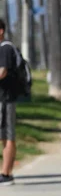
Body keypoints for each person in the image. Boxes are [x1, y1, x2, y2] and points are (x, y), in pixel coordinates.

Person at [0, 19, 17, 186]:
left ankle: (6, 173)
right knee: (5, 136)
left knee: (8, 136)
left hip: (6, 98)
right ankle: (5, 172)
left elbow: (2, 72)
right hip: (4, 98)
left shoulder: (4, 48)